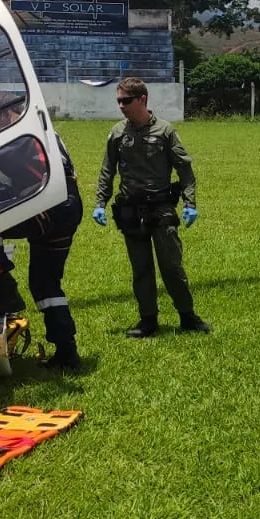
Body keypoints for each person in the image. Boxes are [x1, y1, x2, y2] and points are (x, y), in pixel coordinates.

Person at [0, 97, 85, 370]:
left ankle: (5, 290)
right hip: (66, 209)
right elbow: (10, 184)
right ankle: (67, 351)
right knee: (45, 285)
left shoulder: (21, 137)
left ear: (8, 113)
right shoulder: (45, 132)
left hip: (46, 208)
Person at [92, 77, 210, 337]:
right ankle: (148, 321)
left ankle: (188, 317)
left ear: (142, 99)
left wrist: (190, 203)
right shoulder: (118, 133)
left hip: (160, 209)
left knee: (172, 268)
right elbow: (107, 169)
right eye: (119, 101)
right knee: (141, 269)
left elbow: (185, 170)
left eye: (126, 101)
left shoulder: (165, 131)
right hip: (130, 211)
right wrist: (100, 202)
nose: (121, 106)